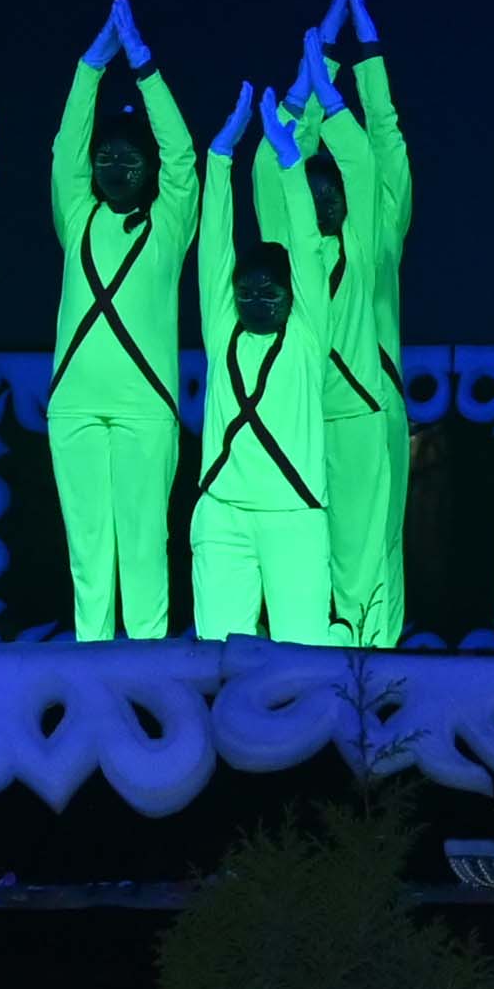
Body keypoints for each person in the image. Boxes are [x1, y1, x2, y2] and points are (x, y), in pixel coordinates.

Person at [48, 0, 195, 641]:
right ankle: (91, 676)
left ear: (148, 168)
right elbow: (65, 152)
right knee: (87, 559)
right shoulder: (77, 217)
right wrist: (90, 68)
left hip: (146, 408)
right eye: (105, 156)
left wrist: (144, 67)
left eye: (128, 157)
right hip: (74, 406)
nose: (114, 166)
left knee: (142, 551)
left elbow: (183, 155)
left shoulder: (169, 226)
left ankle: (147, 675)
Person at [189, 84, 345, 643]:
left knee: (305, 657)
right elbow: (213, 248)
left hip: (294, 514)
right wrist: (219, 157)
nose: (256, 302)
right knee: (218, 656)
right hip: (222, 514)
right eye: (246, 292)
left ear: (292, 296)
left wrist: (289, 162)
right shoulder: (222, 331)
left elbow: (305, 244)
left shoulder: (306, 335)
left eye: (270, 293)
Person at [290, 0, 413, 645]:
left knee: (378, 538)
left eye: (337, 192)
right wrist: (319, 62)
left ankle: (380, 657)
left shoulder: (376, 233)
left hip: (376, 399)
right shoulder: (299, 244)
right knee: (313, 531)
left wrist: (361, 51)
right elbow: (293, 162)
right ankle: (317, 651)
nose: (327, 199)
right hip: (310, 403)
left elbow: (379, 143)